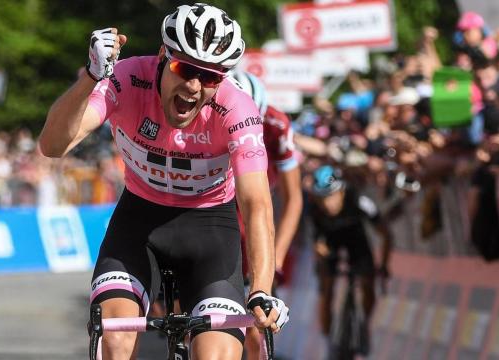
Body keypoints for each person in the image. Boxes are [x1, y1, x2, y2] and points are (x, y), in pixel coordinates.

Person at [38, 3, 289, 359]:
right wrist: (92, 78)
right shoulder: (126, 78)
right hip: (139, 225)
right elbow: (52, 145)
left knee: (217, 355)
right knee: (114, 339)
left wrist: (261, 289)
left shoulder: (238, 108)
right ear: (161, 56)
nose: (193, 86)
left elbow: (256, 204)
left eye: (210, 77)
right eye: (184, 68)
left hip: (211, 231)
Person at [231, 71, 303, 358]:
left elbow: (293, 198)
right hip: (219, 212)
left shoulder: (277, 124)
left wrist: (276, 256)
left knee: (254, 325)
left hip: (255, 216)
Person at [308, 164, 390, 357]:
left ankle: (364, 324)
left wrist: (384, 265)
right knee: (327, 288)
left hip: (356, 240)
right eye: (322, 198)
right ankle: (328, 339)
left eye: (331, 196)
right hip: (330, 242)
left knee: (368, 282)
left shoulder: (359, 200)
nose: (327, 204)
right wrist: (322, 256)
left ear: (342, 191)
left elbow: (386, 235)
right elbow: (317, 243)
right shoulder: (313, 208)